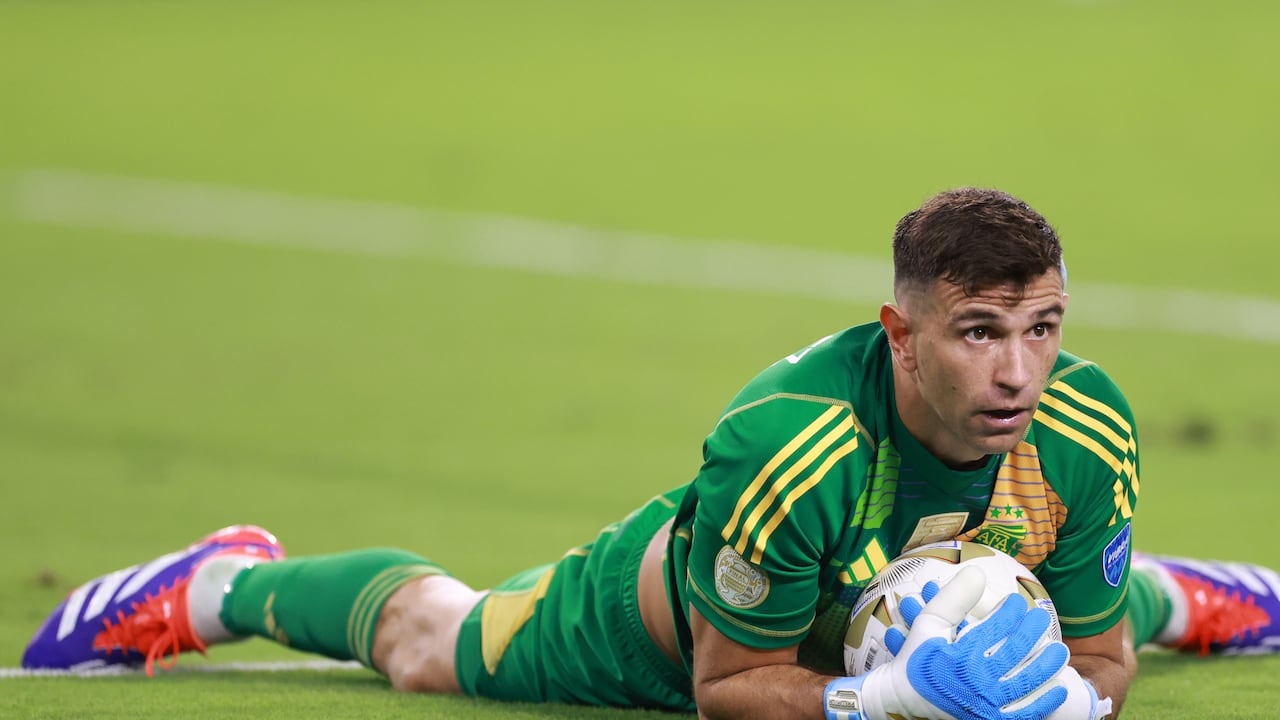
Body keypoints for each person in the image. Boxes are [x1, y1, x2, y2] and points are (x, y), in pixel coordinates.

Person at [23, 188, 1280, 719]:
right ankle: (218, 581)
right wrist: (874, 701)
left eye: (1040, 330)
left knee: (1056, 582)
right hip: (673, 624)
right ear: (901, 336)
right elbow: (726, 689)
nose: (1015, 371)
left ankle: (1193, 592)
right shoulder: (787, 447)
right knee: (429, 651)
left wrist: (1058, 696)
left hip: (938, 569)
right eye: (976, 334)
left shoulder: (1080, 426)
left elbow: (1099, 664)